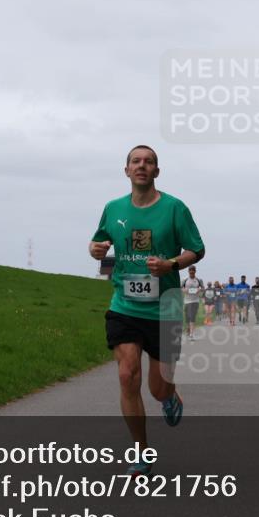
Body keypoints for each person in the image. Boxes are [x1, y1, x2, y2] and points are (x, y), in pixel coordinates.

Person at [88, 145, 204, 477]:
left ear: (156, 171)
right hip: (124, 306)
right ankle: (141, 454)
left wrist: (170, 263)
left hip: (164, 309)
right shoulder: (113, 209)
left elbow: (196, 249)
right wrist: (96, 250)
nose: (142, 166)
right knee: (127, 375)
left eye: (149, 162)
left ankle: (170, 396)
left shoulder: (174, 209)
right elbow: (102, 247)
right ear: (126, 171)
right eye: (136, 161)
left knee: (157, 388)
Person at [181, 265, 203, 341]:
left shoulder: (199, 280)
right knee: (187, 317)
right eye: (190, 271)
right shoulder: (185, 279)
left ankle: (191, 334)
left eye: (193, 271)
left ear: (195, 271)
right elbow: (181, 288)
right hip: (187, 301)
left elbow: (202, 288)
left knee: (192, 316)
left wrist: (199, 290)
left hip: (195, 301)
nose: (191, 272)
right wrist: (184, 290)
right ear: (188, 271)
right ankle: (188, 328)